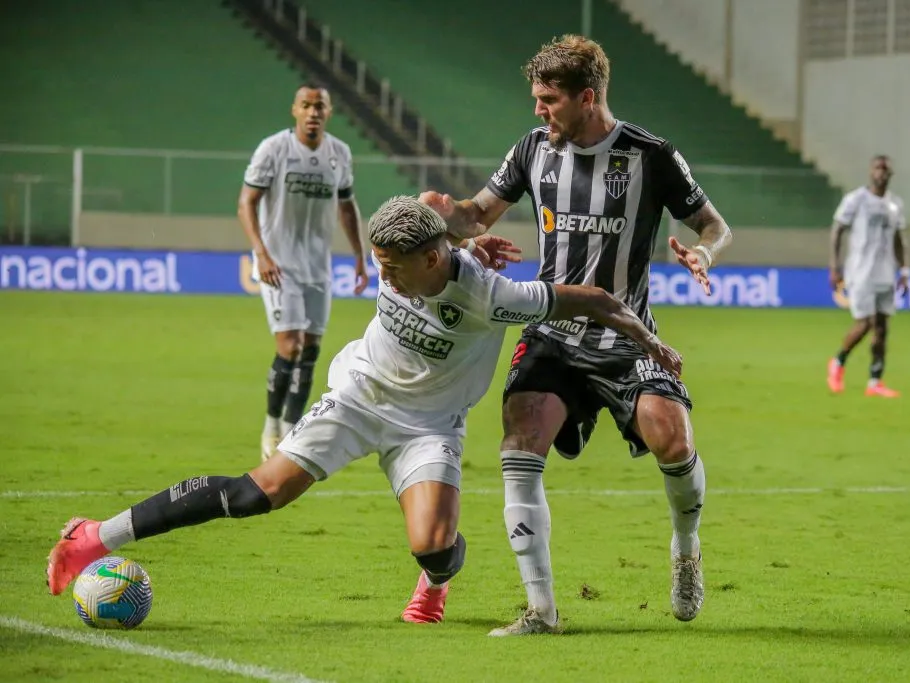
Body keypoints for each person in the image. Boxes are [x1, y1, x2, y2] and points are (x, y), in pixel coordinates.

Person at [46, 196, 684, 626]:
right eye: (382, 265)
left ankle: (434, 585)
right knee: (257, 494)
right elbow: (433, 203)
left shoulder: (494, 296)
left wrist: (649, 341)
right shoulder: (417, 237)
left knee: (433, 547)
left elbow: (596, 299)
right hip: (356, 396)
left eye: (394, 269)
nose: (386, 277)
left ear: (431, 260)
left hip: (429, 426)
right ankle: (95, 536)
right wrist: (466, 233)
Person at [418, 34, 733, 635]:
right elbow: (476, 214)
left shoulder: (651, 155)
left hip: (626, 334)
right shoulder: (532, 149)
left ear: (587, 98)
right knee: (520, 440)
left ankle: (686, 547)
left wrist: (704, 253)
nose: (539, 110)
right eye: (536, 99)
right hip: (553, 329)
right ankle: (541, 611)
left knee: (672, 439)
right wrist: (437, 215)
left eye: (549, 100)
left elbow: (714, 225)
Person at [238, 84, 370, 463]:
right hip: (278, 264)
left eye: (320, 106)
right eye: (306, 105)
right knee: (290, 346)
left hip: (318, 266)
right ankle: (271, 426)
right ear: (294, 110)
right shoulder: (273, 149)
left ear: (329, 112)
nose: (313, 112)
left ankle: (291, 430)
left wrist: (359, 255)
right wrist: (261, 253)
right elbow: (246, 203)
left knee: (310, 350)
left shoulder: (339, 153)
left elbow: (347, 206)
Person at [827, 155, 908, 398]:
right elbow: (837, 230)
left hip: (886, 273)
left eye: (885, 169)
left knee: (882, 328)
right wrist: (834, 266)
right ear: (871, 172)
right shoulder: (856, 199)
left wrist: (905, 270)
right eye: (877, 168)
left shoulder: (895, 204)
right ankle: (838, 362)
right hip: (861, 272)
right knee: (865, 323)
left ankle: (875, 382)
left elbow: (898, 240)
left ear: (890, 174)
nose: (881, 172)